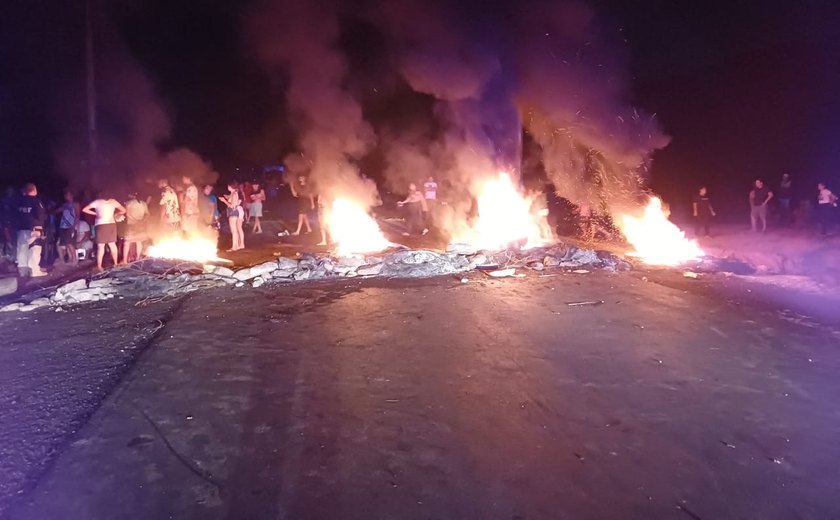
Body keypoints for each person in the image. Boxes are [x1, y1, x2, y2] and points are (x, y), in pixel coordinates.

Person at [82, 193, 126, 270]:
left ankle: (99, 266)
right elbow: (124, 210)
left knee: (101, 246)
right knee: (112, 244)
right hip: (111, 225)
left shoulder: (97, 201)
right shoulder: (113, 201)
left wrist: (96, 213)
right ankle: (115, 264)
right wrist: (116, 214)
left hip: (101, 225)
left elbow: (84, 209)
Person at [14, 183, 47, 277]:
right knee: (35, 248)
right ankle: (34, 270)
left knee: (22, 249)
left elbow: (16, 215)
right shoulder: (36, 201)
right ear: (34, 190)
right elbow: (40, 215)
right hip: (33, 228)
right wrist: (40, 229)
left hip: (21, 229)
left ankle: (23, 270)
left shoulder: (20, 201)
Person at [123, 192, 149, 263]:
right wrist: (142, 221)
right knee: (139, 241)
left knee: (127, 242)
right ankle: (137, 259)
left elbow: (125, 213)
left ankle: (125, 261)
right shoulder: (143, 203)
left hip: (131, 225)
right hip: (141, 225)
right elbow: (147, 214)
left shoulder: (128, 203)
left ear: (132, 195)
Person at [55, 190, 80, 266]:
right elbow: (57, 211)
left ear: (72, 195)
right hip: (63, 226)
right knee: (64, 243)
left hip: (70, 226)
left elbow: (77, 216)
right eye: (65, 195)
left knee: (70, 243)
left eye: (68, 195)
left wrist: (73, 226)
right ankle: (68, 259)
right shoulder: (64, 205)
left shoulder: (75, 204)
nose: (66, 196)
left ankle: (74, 260)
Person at [220, 182, 245, 251]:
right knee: (234, 230)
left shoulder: (234, 194)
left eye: (228, 186)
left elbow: (232, 205)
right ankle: (235, 246)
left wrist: (224, 201)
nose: (227, 187)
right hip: (232, 212)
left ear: (231, 187)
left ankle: (234, 247)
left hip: (233, 212)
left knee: (234, 230)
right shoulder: (232, 193)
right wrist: (227, 197)